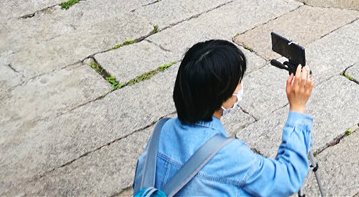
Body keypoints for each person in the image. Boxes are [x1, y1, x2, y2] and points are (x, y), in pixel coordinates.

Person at [133, 39, 313, 196]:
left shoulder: (162, 131)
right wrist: (297, 108)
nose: (240, 87)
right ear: (221, 97)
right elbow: (288, 178)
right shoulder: (230, 155)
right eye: (238, 82)